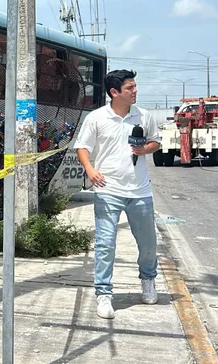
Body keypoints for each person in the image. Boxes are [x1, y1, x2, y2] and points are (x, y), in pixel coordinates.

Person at [74, 69, 161, 319]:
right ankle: (103, 295)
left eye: (135, 87)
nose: (135, 91)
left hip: (140, 191)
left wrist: (145, 149)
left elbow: (156, 141)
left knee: (148, 245)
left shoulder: (144, 116)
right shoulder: (97, 118)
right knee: (105, 245)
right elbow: (82, 146)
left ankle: (148, 281)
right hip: (107, 190)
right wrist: (89, 169)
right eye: (129, 88)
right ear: (114, 92)